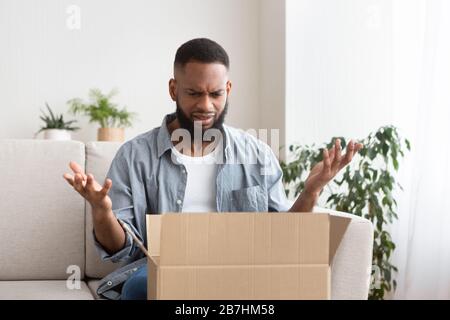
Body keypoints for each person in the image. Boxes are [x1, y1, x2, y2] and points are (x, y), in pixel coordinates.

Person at [63, 38, 363, 300]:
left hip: (242, 267)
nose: (205, 105)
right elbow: (122, 250)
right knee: (138, 289)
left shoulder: (256, 154)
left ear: (228, 89)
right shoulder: (134, 156)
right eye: (194, 93)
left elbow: (281, 242)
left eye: (216, 94)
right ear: (173, 89)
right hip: (165, 269)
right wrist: (101, 209)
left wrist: (311, 191)